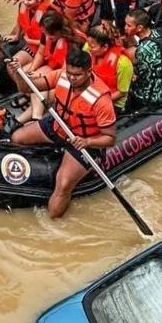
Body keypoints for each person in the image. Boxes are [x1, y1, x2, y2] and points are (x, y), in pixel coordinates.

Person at [10, 49, 116, 219]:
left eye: (78, 75)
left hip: (82, 141)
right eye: (70, 73)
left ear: (89, 72)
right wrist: (18, 74)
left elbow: (110, 139)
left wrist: (87, 142)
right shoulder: (61, 76)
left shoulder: (101, 100)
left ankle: (53, 223)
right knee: (17, 138)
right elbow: (28, 88)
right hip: (58, 126)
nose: (72, 78)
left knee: (64, 184)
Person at [8, 9, 86, 122]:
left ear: (61, 31)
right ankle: (23, 116)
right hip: (53, 66)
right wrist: (31, 69)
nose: (48, 36)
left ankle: (30, 119)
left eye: (51, 34)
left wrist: (40, 74)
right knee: (25, 74)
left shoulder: (74, 43)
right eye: (46, 34)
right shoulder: (47, 34)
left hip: (67, 76)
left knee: (39, 86)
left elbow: (66, 71)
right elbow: (40, 53)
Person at [126, 9, 162, 111]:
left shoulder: (142, 50)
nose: (125, 28)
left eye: (128, 25)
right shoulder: (159, 34)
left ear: (139, 28)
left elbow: (143, 78)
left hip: (150, 96)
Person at [2, 0, 51, 71]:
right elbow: (20, 19)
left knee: (24, 73)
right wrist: (16, 35)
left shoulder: (48, 14)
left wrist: (29, 40)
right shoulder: (23, 5)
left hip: (44, 49)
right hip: (31, 45)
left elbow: (50, 41)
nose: (25, 1)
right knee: (11, 67)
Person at [83, 21, 133, 110]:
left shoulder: (123, 64)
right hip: (92, 92)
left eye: (93, 46)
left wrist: (99, 102)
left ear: (105, 47)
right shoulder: (88, 48)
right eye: (88, 44)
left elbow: (122, 92)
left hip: (113, 102)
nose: (89, 48)